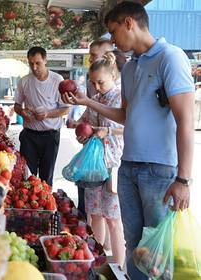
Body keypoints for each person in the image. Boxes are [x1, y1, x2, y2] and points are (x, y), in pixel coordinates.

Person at [62, 2, 194, 279]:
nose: (111, 39)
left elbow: (185, 120)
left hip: (160, 171)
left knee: (159, 253)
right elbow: (125, 115)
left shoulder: (171, 58)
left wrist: (183, 180)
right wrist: (87, 101)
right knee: (133, 245)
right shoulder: (132, 68)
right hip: (128, 167)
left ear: (129, 23)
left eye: (113, 31)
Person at [77, 52, 125, 267]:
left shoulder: (122, 97)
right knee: (94, 213)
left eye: (101, 81)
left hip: (112, 164)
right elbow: (81, 122)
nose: (97, 87)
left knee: (113, 219)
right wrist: (82, 133)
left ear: (113, 75)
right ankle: (97, 261)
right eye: (93, 82)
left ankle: (119, 266)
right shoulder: (93, 100)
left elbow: (128, 127)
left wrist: (109, 131)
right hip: (93, 166)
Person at [14, 46, 70, 187]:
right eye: (31, 63)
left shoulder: (58, 80)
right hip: (29, 136)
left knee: (47, 177)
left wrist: (47, 114)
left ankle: (46, 206)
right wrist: (22, 112)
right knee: (27, 176)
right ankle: (29, 208)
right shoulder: (24, 81)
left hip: (50, 136)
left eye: (38, 63)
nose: (34, 67)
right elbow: (17, 105)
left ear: (45, 60)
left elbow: (66, 109)